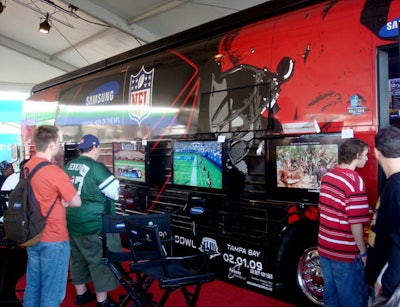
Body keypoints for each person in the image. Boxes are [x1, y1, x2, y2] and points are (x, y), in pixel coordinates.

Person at [23, 125, 82, 307]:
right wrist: (64, 201)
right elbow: (76, 201)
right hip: (54, 239)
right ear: (51, 144)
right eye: (58, 141)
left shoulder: (27, 166)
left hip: (33, 235)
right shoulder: (55, 172)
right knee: (52, 292)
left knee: (33, 287)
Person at [64, 134, 121, 307]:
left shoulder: (68, 166)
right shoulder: (97, 167)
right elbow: (115, 193)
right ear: (95, 147)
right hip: (94, 224)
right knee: (99, 260)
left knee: (78, 258)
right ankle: (102, 301)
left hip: (72, 221)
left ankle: (82, 295)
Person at [317, 138, 370, 307]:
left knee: (331, 297)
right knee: (351, 299)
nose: (367, 159)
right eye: (365, 155)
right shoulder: (355, 181)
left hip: (324, 247)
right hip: (345, 253)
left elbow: (324, 208)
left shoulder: (327, 176)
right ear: (356, 155)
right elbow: (355, 224)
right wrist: (363, 253)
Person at [365, 126, 400, 305]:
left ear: (376, 152)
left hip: (391, 285)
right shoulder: (393, 185)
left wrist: (386, 284)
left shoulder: (396, 188)